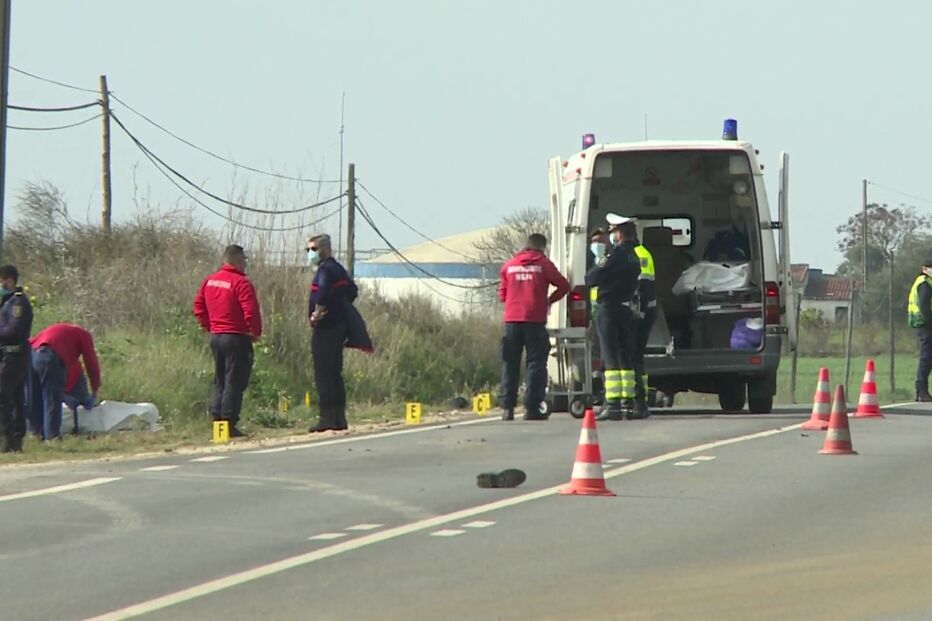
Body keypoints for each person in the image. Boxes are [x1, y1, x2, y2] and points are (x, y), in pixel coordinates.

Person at [498, 233, 569, 421]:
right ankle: (531, 408)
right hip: (535, 321)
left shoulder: (509, 265)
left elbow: (502, 296)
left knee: (510, 363)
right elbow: (563, 285)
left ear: (526, 245)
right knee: (536, 363)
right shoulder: (543, 265)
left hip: (512, 321)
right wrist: (548, 301)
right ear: (542, 248)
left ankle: (508, 408)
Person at [193, 245, 262, 438]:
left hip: (217, 337)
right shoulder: (241, 283)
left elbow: (198, 306)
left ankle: (218, 419)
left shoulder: (210, 280)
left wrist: (210, 326)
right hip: (237, 337)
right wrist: (255, 332)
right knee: (234, 380)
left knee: (220, 379)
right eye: (244, 261)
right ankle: (229, 422)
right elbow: (251, 311)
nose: (245, 264)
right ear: (238, 261)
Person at [586, 217, 641, 421]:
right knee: (625, 357)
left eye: (614, 231)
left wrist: (599, 260)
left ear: (618, 233)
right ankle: (628, 404)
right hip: (626, 309)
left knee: (610, 357)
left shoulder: (613, 256)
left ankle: (613, 405)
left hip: (608, 309)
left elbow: (592, 278)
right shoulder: (634, 256)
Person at [607, 213, 656, 419]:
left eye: (614, 232)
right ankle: (639, 402)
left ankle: (638, 403)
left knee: (631, 356)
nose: (613, 236)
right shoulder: (642, 251)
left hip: (637, 311)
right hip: (643, 310)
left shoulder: (634, 254)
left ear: (620, 233)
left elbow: (642, 287)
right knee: (636, 357)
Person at [307, 234, 357, 432]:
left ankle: (327, 418)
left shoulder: (326, 269)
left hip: (326, 329)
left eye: (313, 249)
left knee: (324, 374)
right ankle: (339, 418)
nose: (310, 254)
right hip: (338, 327)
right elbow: (352, 291)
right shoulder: (338, 269)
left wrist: (317, 313)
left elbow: (323, 292)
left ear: (324, 249)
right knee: (335, 373)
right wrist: (340, 307)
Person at [31, 322, 100, 441]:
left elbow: (31, 342)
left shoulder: (60, 331)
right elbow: (91, 361)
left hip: (32, 354)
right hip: (50, 356)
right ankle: (52, 437)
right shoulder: (83, 335)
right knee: (52, 399)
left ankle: (37, 434)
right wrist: (95, 388)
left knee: (35, 398)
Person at [0, 266, 33, 452]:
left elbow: (14, 331)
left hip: (14, 356)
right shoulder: (8, 301)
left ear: (10, 280)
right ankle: (14, 440)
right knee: (14, 398)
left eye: (3, 281)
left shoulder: (17, 303)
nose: (2, 284)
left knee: (5, 397)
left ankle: (10, 441)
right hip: (9, 355)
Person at [907, 258, 932, 402]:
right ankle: (921, 391)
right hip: (926, 325)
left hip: (926, 325)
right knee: (926, 358)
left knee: (928, 358)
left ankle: (923, 391)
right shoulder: (924, 283)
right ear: (925, 269)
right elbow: (924, 307)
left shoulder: (927, 282)